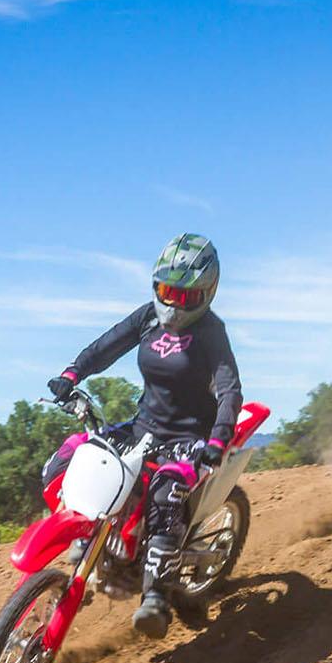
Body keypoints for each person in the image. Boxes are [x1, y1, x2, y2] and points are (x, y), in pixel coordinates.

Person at [45, 232, 241, 638]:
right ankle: (82, 536)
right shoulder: (147, 317)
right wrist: (72, 373)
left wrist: (219, 441)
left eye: (184, 295)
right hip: (143, 427)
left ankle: (155, 597)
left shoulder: (211, 333)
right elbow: (106, 347)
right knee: (68, 457)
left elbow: (229, 390)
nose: (172, 302)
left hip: (189, 438)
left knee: (165, 493)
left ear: (207, 292)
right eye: (166, 290)